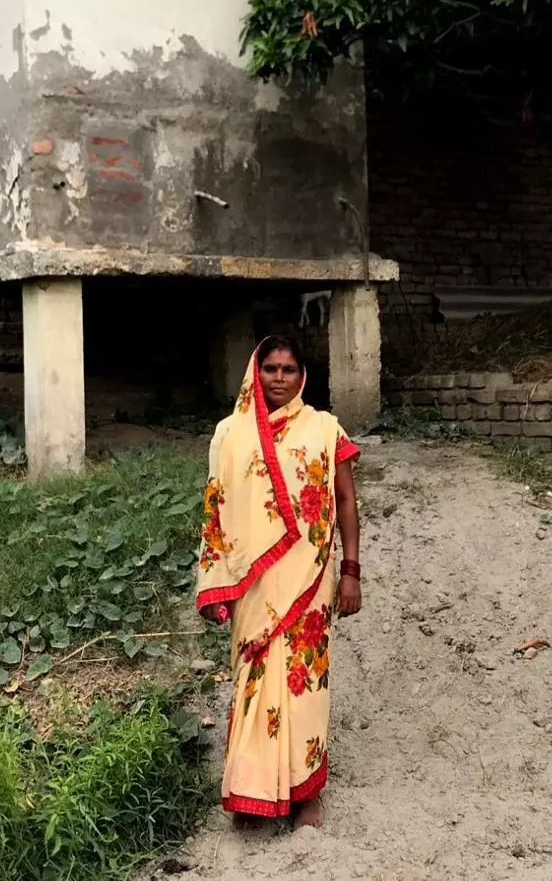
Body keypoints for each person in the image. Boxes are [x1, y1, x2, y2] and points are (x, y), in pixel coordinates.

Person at [195, 334, 363, 830]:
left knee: (305, 686)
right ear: (256, 371)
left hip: (310, 580)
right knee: (253, 685)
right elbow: (216, 507)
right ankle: (252, 792)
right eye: (270, 368)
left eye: (289, 369)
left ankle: (305, 793)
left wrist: (349, 571)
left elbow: (347, 503)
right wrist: (215, 579)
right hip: (253, 584)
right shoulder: (230, 433)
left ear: (303, 375)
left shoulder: (325, 429)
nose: (279, 378)